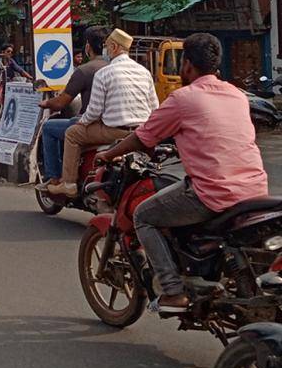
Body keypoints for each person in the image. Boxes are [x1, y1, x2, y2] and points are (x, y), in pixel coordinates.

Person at [95, 33, 268, 313]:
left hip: (211, 194)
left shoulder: (183, 98)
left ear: (186, 64)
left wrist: (108, 154)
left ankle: (173, 291)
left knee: (144, 216)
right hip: (254, 191)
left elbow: (142, 138)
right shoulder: (237, 94)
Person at [47, 29, 158, 197]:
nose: (105, 50)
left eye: (107, 46)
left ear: (113, 47)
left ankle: (68, 183)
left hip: (113, 131)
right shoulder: (144, 72)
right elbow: (154, 107)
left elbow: (93, 111)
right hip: (140, 131)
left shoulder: (104, 73)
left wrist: (81, 122)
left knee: (71, 133)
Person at [37, 26, 109, 189]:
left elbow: (61, 102)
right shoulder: (116, 69)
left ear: (88, 47)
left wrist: (47, 103)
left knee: (48, 128)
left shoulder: (84, 70)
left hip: (92, 125)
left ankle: (55, 178)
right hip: (120, 124)